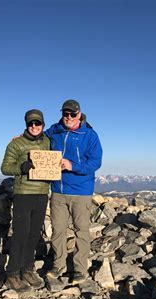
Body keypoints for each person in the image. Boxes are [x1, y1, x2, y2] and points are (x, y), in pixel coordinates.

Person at [45, 99, 103, 284]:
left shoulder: (89, 135)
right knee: (58, 230)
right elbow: (38, 138)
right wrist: (21, 136)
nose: (68, 117)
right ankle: (59, 264)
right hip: (58, 189)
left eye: (72, 114)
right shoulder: (55, 130)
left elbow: (95, 162)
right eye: (65, 114)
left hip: (81, 191)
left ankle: (79, 269)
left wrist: (73, 166)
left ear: (79, 114)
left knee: (81, 231)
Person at [1, 109, 50, 292]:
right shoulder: (16, 144)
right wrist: (21, 168)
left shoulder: (47, 141)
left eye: (37, 123)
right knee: (20, 235)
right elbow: (5, 168)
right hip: (23, 193)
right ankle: (12, 273)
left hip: (42, 192)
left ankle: (27, 270)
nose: (34, 126)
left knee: (34, 235)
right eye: (31, 123)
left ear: (43, 125)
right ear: (26, 125)